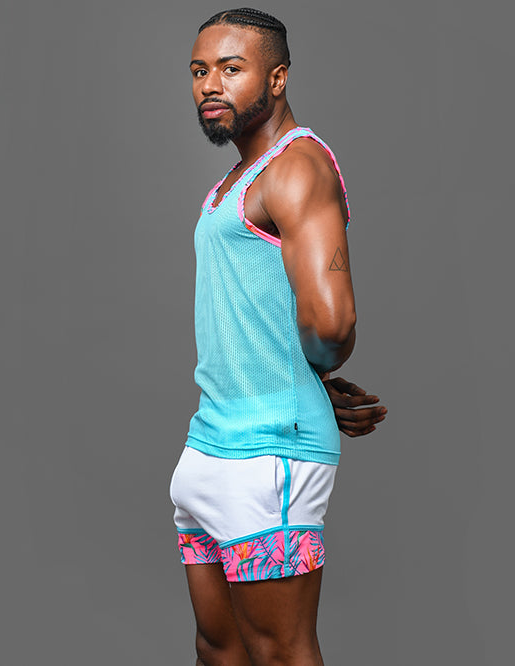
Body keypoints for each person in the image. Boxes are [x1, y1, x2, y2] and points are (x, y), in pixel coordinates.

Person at [169, 8, 387, 665]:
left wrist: (306, 381)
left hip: (269, 453)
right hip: (212, 441)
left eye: (231, 68)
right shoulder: (236, 181)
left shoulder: (297, 169)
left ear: (277, 78)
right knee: (219, 649)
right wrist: (307, 376)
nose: (211, 84)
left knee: (279, 653)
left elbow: (333, 323)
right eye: (199, 71)